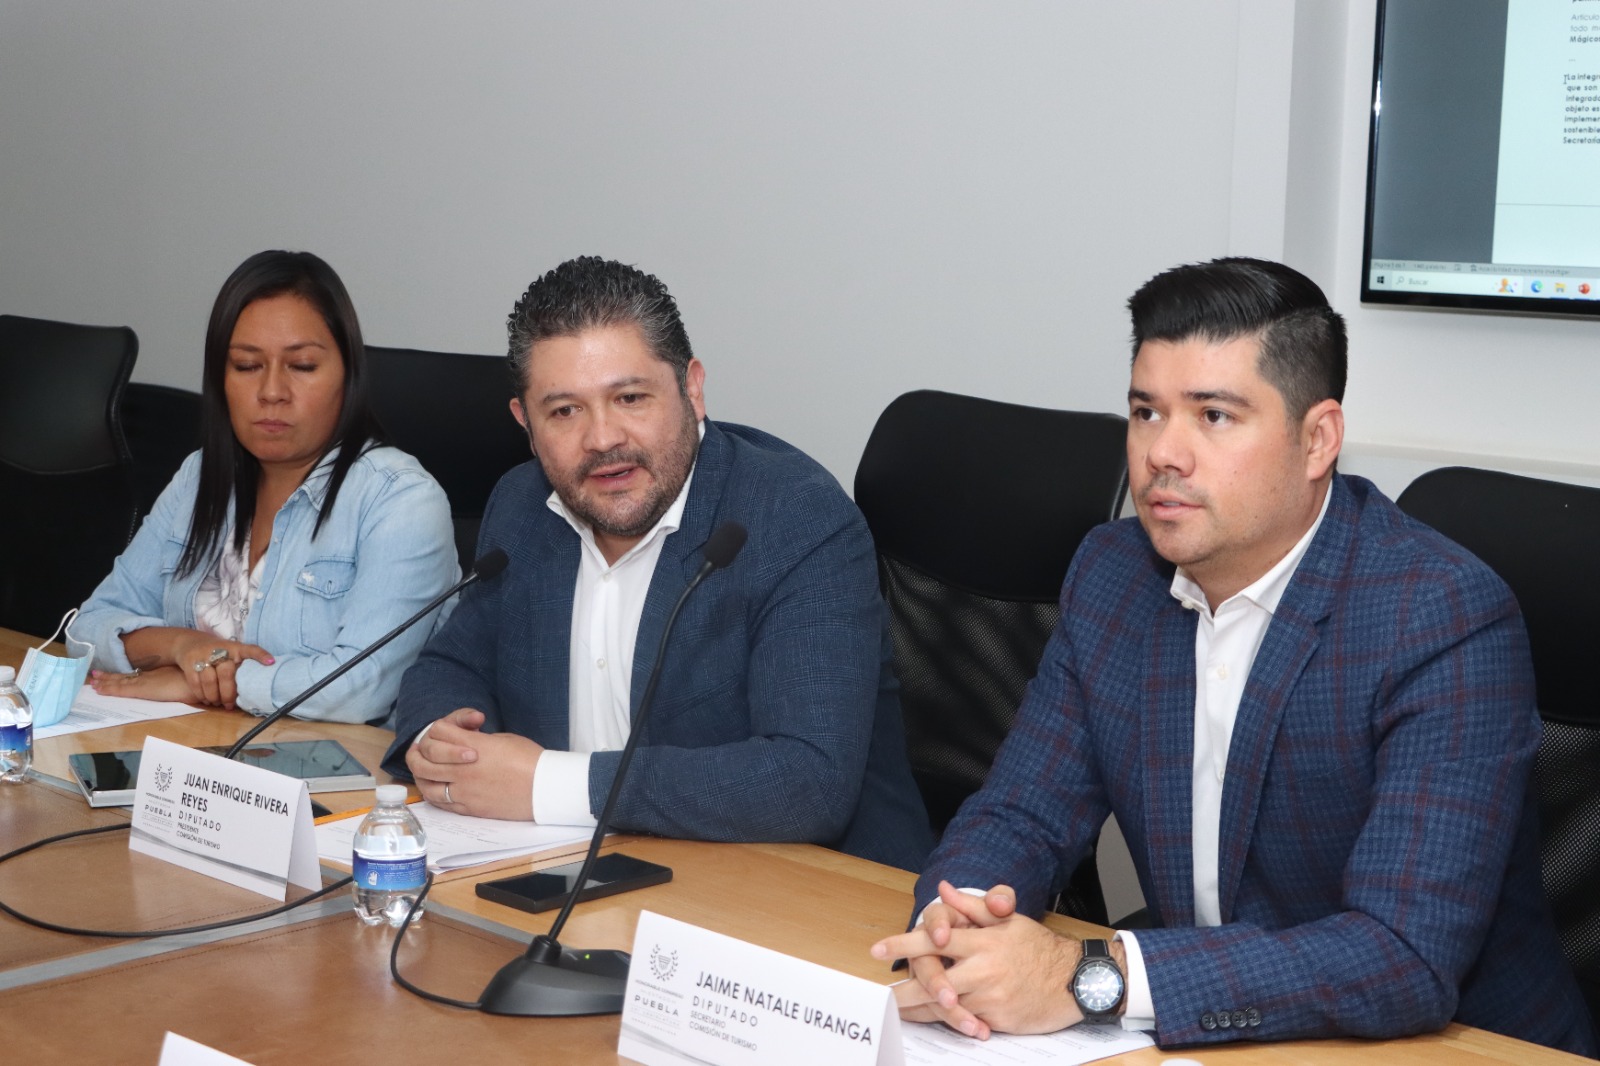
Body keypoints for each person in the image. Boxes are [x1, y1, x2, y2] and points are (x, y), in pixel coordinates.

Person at [871, 257, 1596, 1056]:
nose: (1163, 453)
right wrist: (958, 928)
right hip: (1211, 1028)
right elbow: (1023, 813)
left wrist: (1089, 976)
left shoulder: (1441, 615)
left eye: (1213, 416)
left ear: (1317, 439)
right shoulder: (1114, 574)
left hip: (1453, 1047)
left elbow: (1402, 953)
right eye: (1146, 412)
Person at [381, 256, 932, 871]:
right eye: (564, 411)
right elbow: (450, 664)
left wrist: (545, 784)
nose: (602, 438)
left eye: (630, 398)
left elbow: (807, 780)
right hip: (574, 870)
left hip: (807, 892)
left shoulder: (794, 518)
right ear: (525, 424)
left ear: (692, 389)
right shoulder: (522, 506)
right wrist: (445, 748)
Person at [76, 250, 458, 723]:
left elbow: (360, 689)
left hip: (333, 762)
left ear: (349, 376)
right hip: (187, 751)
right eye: (246, 365)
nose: (272, 391)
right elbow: (89, 627)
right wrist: (183, 646)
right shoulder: (199, 476)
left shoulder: (400, 500)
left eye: (302, 366)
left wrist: (208, 684)